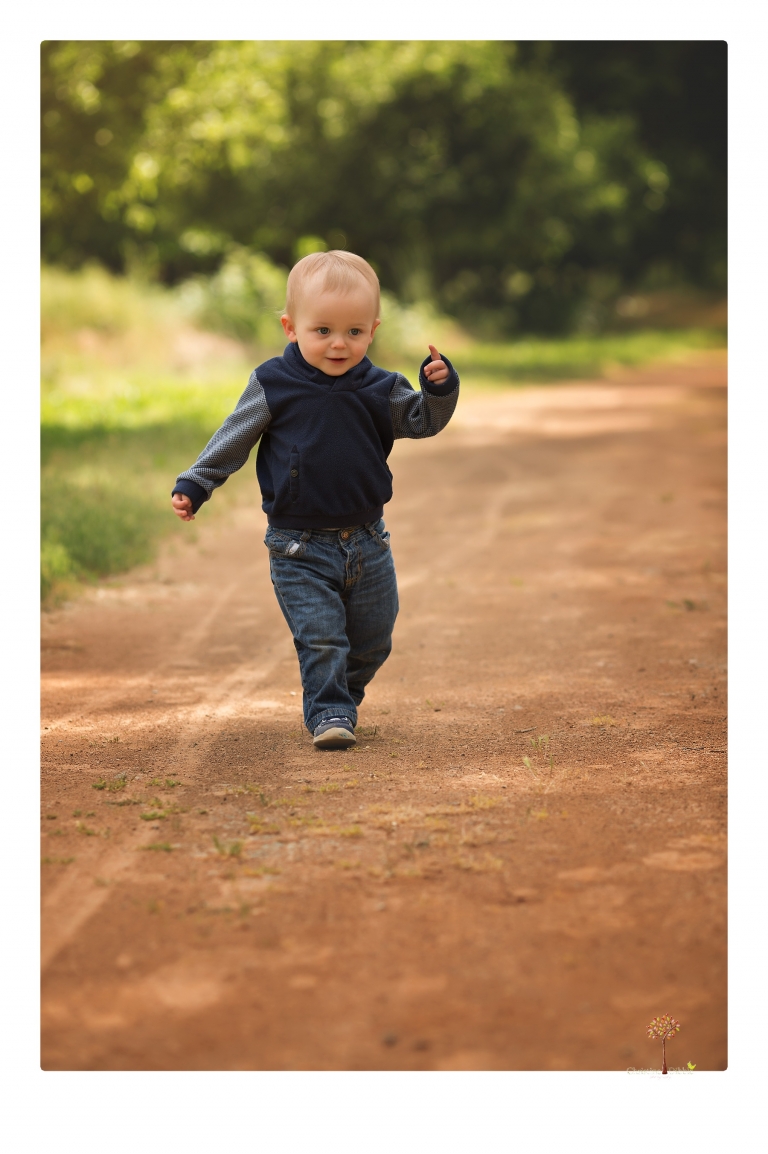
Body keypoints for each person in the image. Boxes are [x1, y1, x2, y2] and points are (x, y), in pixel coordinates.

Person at [172, 250, 460, 749]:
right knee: (322, 637)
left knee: (373, 638)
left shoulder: (381, 387)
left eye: (353, 332)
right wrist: (198, 482)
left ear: (372, 330)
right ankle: (328, 710)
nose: (338, 344)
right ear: (291, 327)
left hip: (369, 542)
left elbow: (421, 421)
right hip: (297, 546)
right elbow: (234, 437)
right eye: (321, 330)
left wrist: (440, 389)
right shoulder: (274, 383)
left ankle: (339, 698)